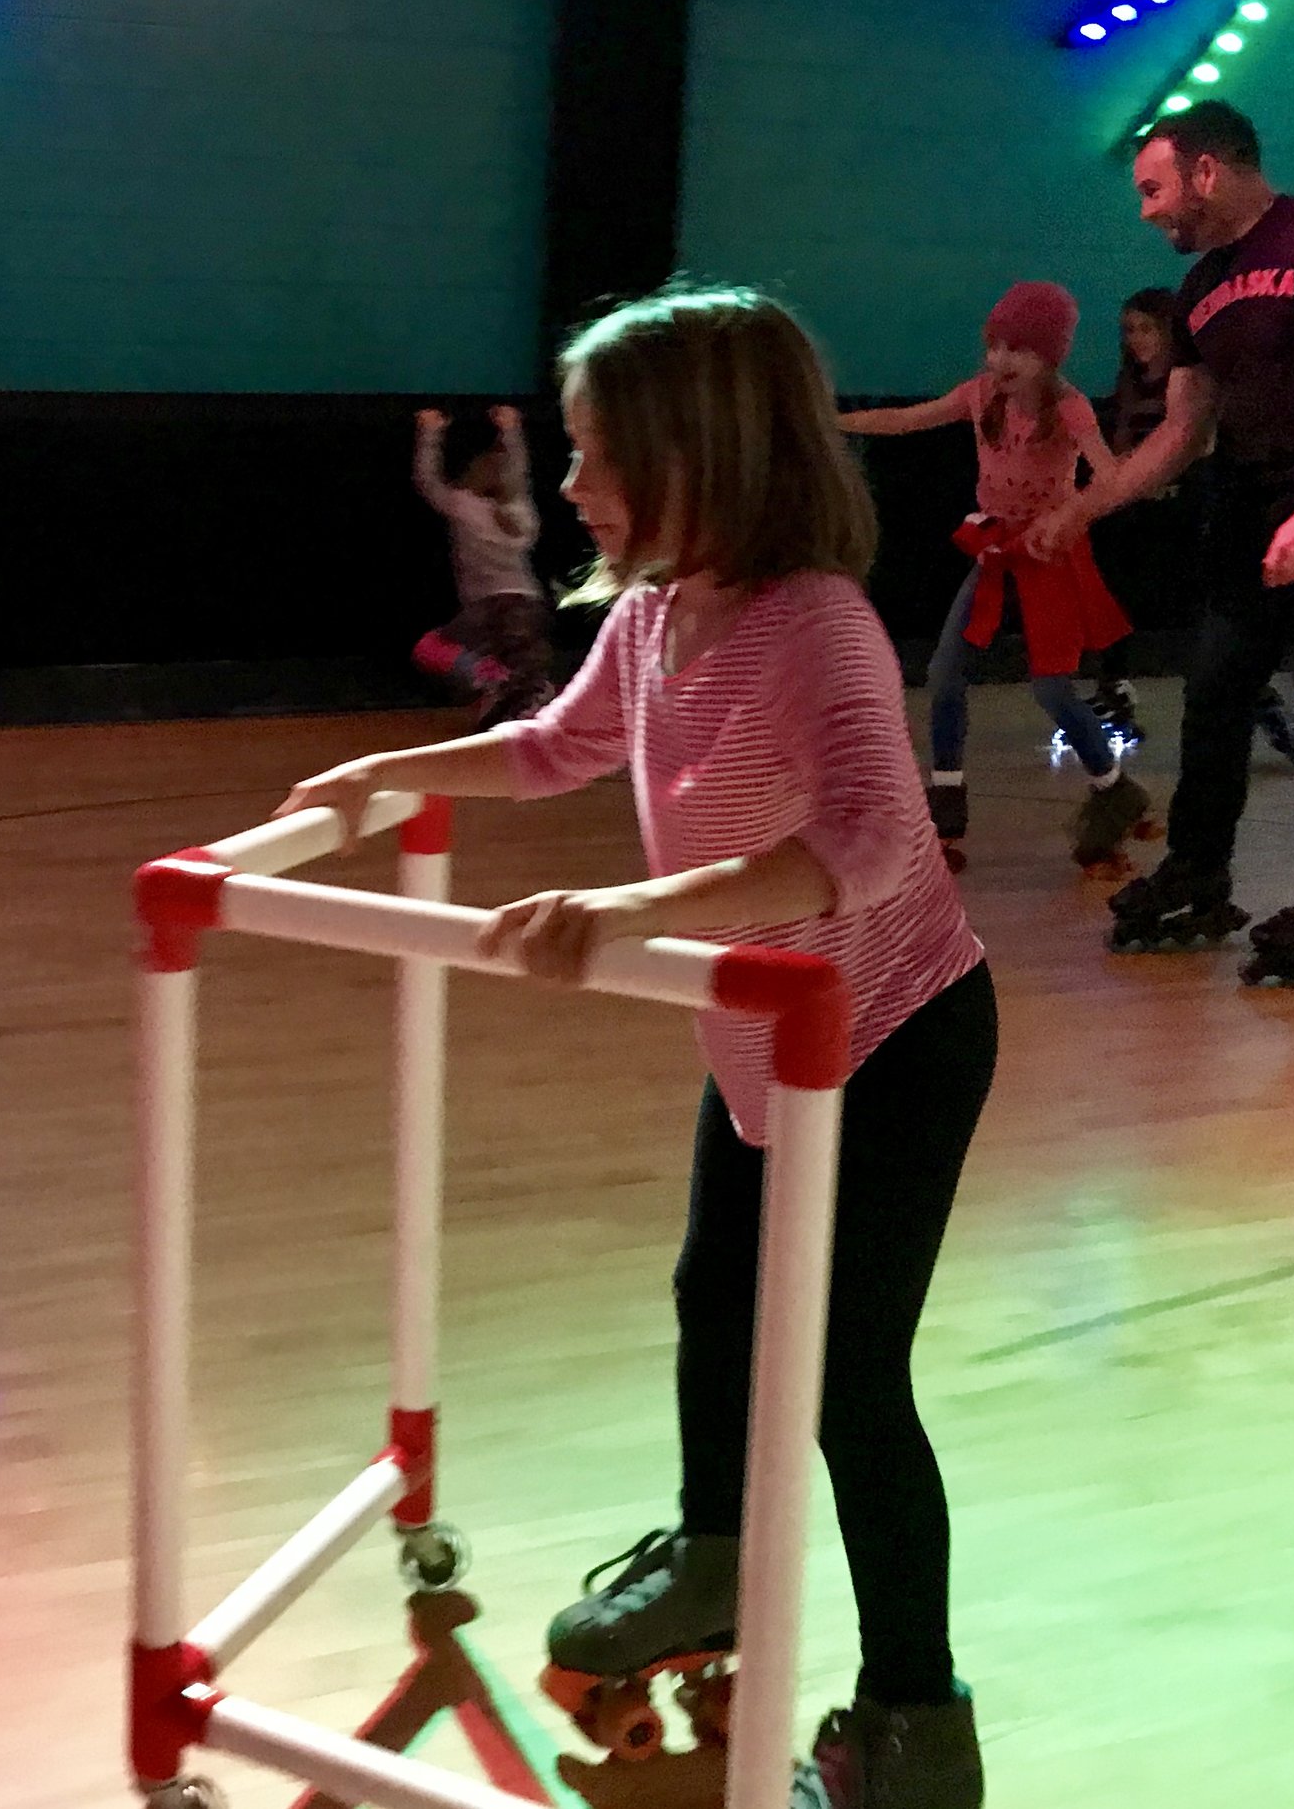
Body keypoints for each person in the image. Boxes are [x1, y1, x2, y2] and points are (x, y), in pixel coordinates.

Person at [280, 283, 995, 1809]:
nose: (573, 488)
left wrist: (643, 902)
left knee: (850, 1382)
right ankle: (717, 1555)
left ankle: (917, 1720)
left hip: (893, 1034)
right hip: (763, 1030)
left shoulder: (815, 622)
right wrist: (383, 769)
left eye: (597, 452)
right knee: (711, 1296)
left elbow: (872, 838)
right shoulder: (663, 612)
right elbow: (556, 746)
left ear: (703, 454)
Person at [1029, 101, 1294, 984]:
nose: (1145, 211)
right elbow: (1180, 431)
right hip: (1251, 514)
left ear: (1206, 170)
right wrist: (1084, 509)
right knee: (1214, 697)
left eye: (1153, 188)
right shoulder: (1201, 287)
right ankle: (1197, 875)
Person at [838, 282, 1152, 868]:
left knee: (1050, 688)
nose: (1000, 361)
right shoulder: (982, 396)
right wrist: (833, 420)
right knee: (945, 671)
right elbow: (908, 419)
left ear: (1050, 357)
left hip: (1048, 557)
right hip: (997, 549)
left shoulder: (1070, 408)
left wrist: (1066, 513)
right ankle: (947, 806)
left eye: (1020, 350)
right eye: (996, 346)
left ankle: (1114, 791)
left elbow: (1112, 480)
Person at [1093, 287, 1294, 764]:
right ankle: (1115, 692)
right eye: (1130, 330)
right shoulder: (1130, 384)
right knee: (1115, 598)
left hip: (1190, 507)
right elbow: (1122, 442)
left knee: (1204, 612)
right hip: (1137, 509)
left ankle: (1259, 698)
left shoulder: (1192, 378)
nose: (1138, 340)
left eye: (1147, 329)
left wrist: (1158, 473)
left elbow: (1199, 440)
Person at [410, 404, 554, 724]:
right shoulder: (521, 513)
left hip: (490, 606)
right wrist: (512, 430)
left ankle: (497, 681)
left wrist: (430, 432)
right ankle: (517, 691)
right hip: (529, 604)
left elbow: (428, 481)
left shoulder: (465, 506)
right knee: (516, 667)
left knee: (431, 648)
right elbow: (519, 470)